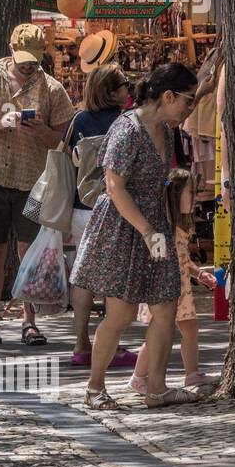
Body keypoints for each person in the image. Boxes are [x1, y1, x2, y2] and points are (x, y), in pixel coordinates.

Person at [71, 63, 200, 410]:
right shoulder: (127, 128)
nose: (191, 108)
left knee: (165, 307)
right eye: (188, 100)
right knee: (121, 313)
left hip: (154, 225)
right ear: (168, 96)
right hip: (123, 228)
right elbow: (115, 187)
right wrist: (146, 231)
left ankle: (155, 388)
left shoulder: (167, 131)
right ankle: (95, 387)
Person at [0, 24, 76, 350]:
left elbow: (65, 140)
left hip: (32, 180)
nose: (29, 65)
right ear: (11, 49)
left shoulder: (52, 89)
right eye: (24, 59)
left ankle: (29, 321)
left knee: (29, 252)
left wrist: (42, 132)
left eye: (35, 60)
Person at [66, 63, 134, 368]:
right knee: (112, 278)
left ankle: (81, 344)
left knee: (83, 275)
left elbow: (65, 158)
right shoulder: (125, 123)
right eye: (124, 84)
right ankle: (113, 347)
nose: (128, 89)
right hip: (114, 207)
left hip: (81, 207)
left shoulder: (79, 119)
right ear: (112, 91)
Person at [130, 168, 218, 393]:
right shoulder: (162, 226)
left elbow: (183, 259)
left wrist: (199, 273)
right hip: (163, 288)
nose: (196, 197)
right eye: (192, 192)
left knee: (190, 328)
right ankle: (139, 377)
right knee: (158, 331)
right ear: (176, 194)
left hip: (181, 288)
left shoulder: (182, 225)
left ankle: (192, 374)